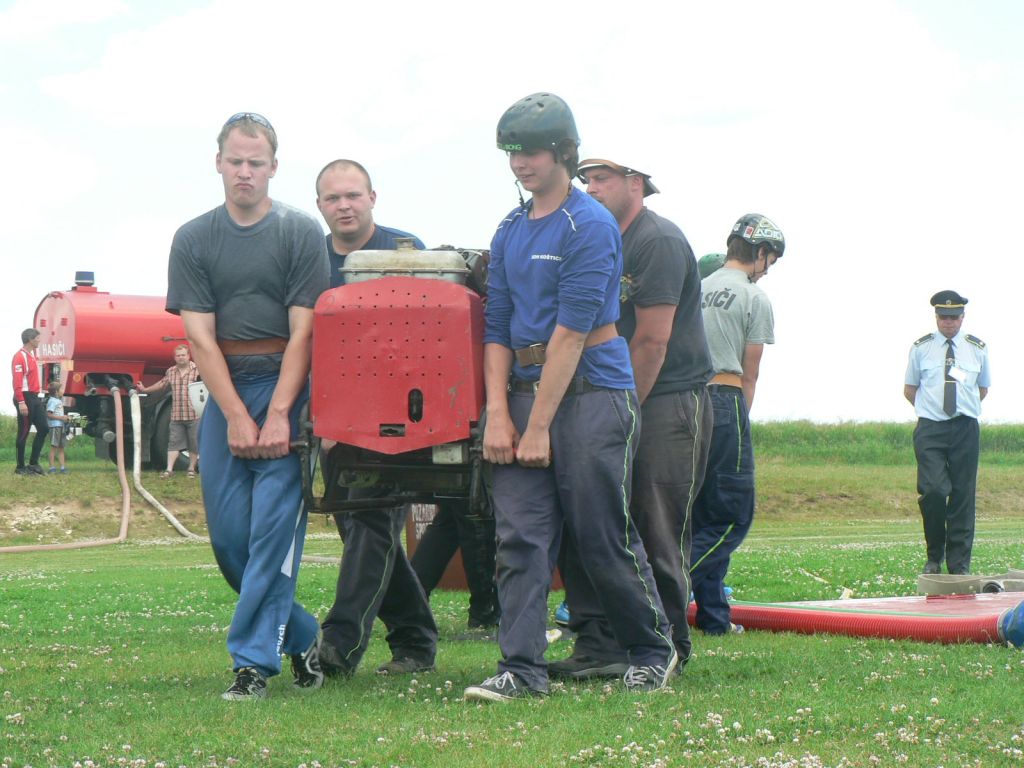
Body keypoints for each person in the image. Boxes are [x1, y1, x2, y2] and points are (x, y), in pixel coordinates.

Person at [463, 93, 676, 703]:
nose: (519, 164)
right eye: (510, 153)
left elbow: (571, 333)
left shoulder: (592, 226)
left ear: (562, 152)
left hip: (592, 393)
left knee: (599, 532)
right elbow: (497, 322)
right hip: (525, 396)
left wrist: (537, 429)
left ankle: (651, 650)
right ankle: (522, 670)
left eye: (528, 152)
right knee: (520, 537)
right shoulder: (507, 230)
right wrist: (499, 414)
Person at [166, 112, 329, 701]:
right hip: (225, 389)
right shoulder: (194, 238)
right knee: (230, 543)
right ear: (218, 163)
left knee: (271, 538)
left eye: (256, 163)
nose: (244, 172)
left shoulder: (298, 231)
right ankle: (306, 633)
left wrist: (281, 410)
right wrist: (235, 413)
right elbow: (200, 339)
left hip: (286, 384)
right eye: (234, 161)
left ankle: (252, 664)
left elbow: (306, 333)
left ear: (273, 169)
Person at [552, 157, 713, 679]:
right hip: (606, 395)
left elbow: (652, 340)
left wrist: (625, 411)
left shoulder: (655, 240)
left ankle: (667, 646)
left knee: (655, 523)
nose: (591, 188)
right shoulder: (593, 236)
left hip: (661, 398)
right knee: (591, 517)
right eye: (587, 180)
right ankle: (600, 644)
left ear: (635, 184)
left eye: (603, 180)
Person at [313, 159, 439, 678]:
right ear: (320, 205)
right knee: (363, 529)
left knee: (372, 518)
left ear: (372, 197)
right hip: (332, 416)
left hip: (397, 415)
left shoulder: (405, 252)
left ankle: (339, 644)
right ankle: (415, 639)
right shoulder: (309, 258)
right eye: (332, 198)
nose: (344, 205)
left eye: (352, 196)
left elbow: (432, 335)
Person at [690, 214, 785, 635]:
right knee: (731, 512)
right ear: (761, 254)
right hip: (725, 400)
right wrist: (740, 419)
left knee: (696, 511)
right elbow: (751, 372)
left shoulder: (696, 287)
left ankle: (714, 617)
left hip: (685, 402)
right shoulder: (753, 297)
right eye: (772, 260)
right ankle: (658, 585)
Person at [904, 290, 990, 575]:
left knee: (963, 496)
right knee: (933, 491)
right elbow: (910, 389)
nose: (949, 322)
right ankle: (933, 556)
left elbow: (982, 389)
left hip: (965, 427)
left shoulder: (977, 348)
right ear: (936, 317)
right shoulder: (921, 348)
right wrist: (932, 411)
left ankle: (959, 564)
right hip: (931, 428)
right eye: (944, 316)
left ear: (962, 317)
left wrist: (962, 410)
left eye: (954, 317)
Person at [410, 498, 500, 634]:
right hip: (472, 482)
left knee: (449, 523)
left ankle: (412, 601)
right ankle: (484, 611)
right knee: (476, 519)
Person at [136, 344, 201, 477]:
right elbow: (161, 384)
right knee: (173, 444)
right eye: (178, 356)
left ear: (188, 356)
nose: (181, 358)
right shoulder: (171, 371)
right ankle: (169, 469)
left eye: (183, 355)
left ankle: (191, 469)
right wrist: (145, 389)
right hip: (176, 415)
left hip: (194, 415)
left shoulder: (198, 370)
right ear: (175, 358)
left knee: (194, 444)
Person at [12, 328, 48, 476]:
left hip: (34, 397)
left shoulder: (32, 355)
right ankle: (20, 467)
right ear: (30, 340)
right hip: (24, 397)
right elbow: (17, 382)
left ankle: (33, 463)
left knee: (44, 428)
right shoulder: (20, 357)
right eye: (38, 338)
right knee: (24, 432)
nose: (40, 340)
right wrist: (21, 402)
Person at [45, 380, 70, 474]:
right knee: (53, 447)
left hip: (60, 426)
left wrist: (65, 418)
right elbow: (48, 414)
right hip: (55, 427)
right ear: (56, 391)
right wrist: (61, 418)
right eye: (61, 389)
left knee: (61, 447)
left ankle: (63, 467)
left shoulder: (58, 401)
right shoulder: (52, 401)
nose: (63, 390)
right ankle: (52, 468)